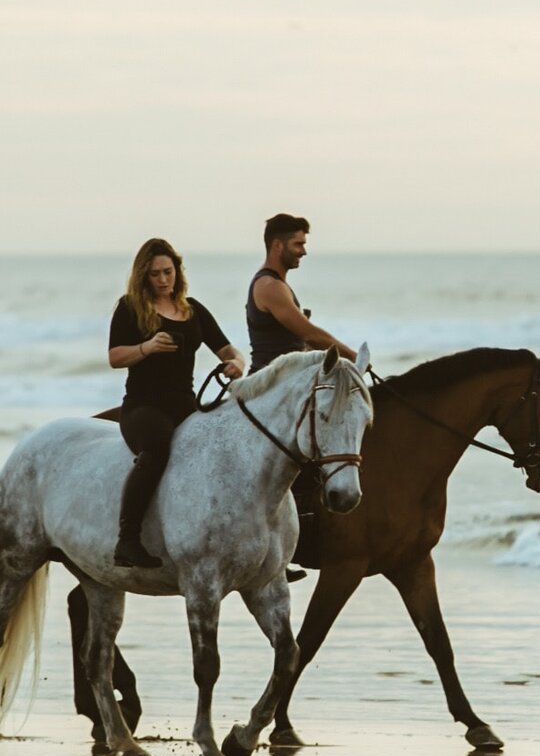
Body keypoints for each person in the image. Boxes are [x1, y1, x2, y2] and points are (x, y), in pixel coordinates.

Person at [109, 237, 244, 570]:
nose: (162, 280)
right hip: (143, 406)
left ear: (177, 272)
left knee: (233, 445)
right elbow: (114, 357)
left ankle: (246, 538)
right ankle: (127, 540)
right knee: (157, 447)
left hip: (186, 405)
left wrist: (237, 363)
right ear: (144, 276)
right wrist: (147, 348)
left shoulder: (193, 309)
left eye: (168, 271)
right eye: (154, 274)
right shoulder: (129, 308)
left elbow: (229, 350)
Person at [246, 213, 357, 373]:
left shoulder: (276, 284)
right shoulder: (269, 285)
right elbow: (310, 335)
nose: (303, 252)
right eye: (298, 244)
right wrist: (353, 357)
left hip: (287, 378)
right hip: (272, 382)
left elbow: (299, 342)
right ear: (278, 245)